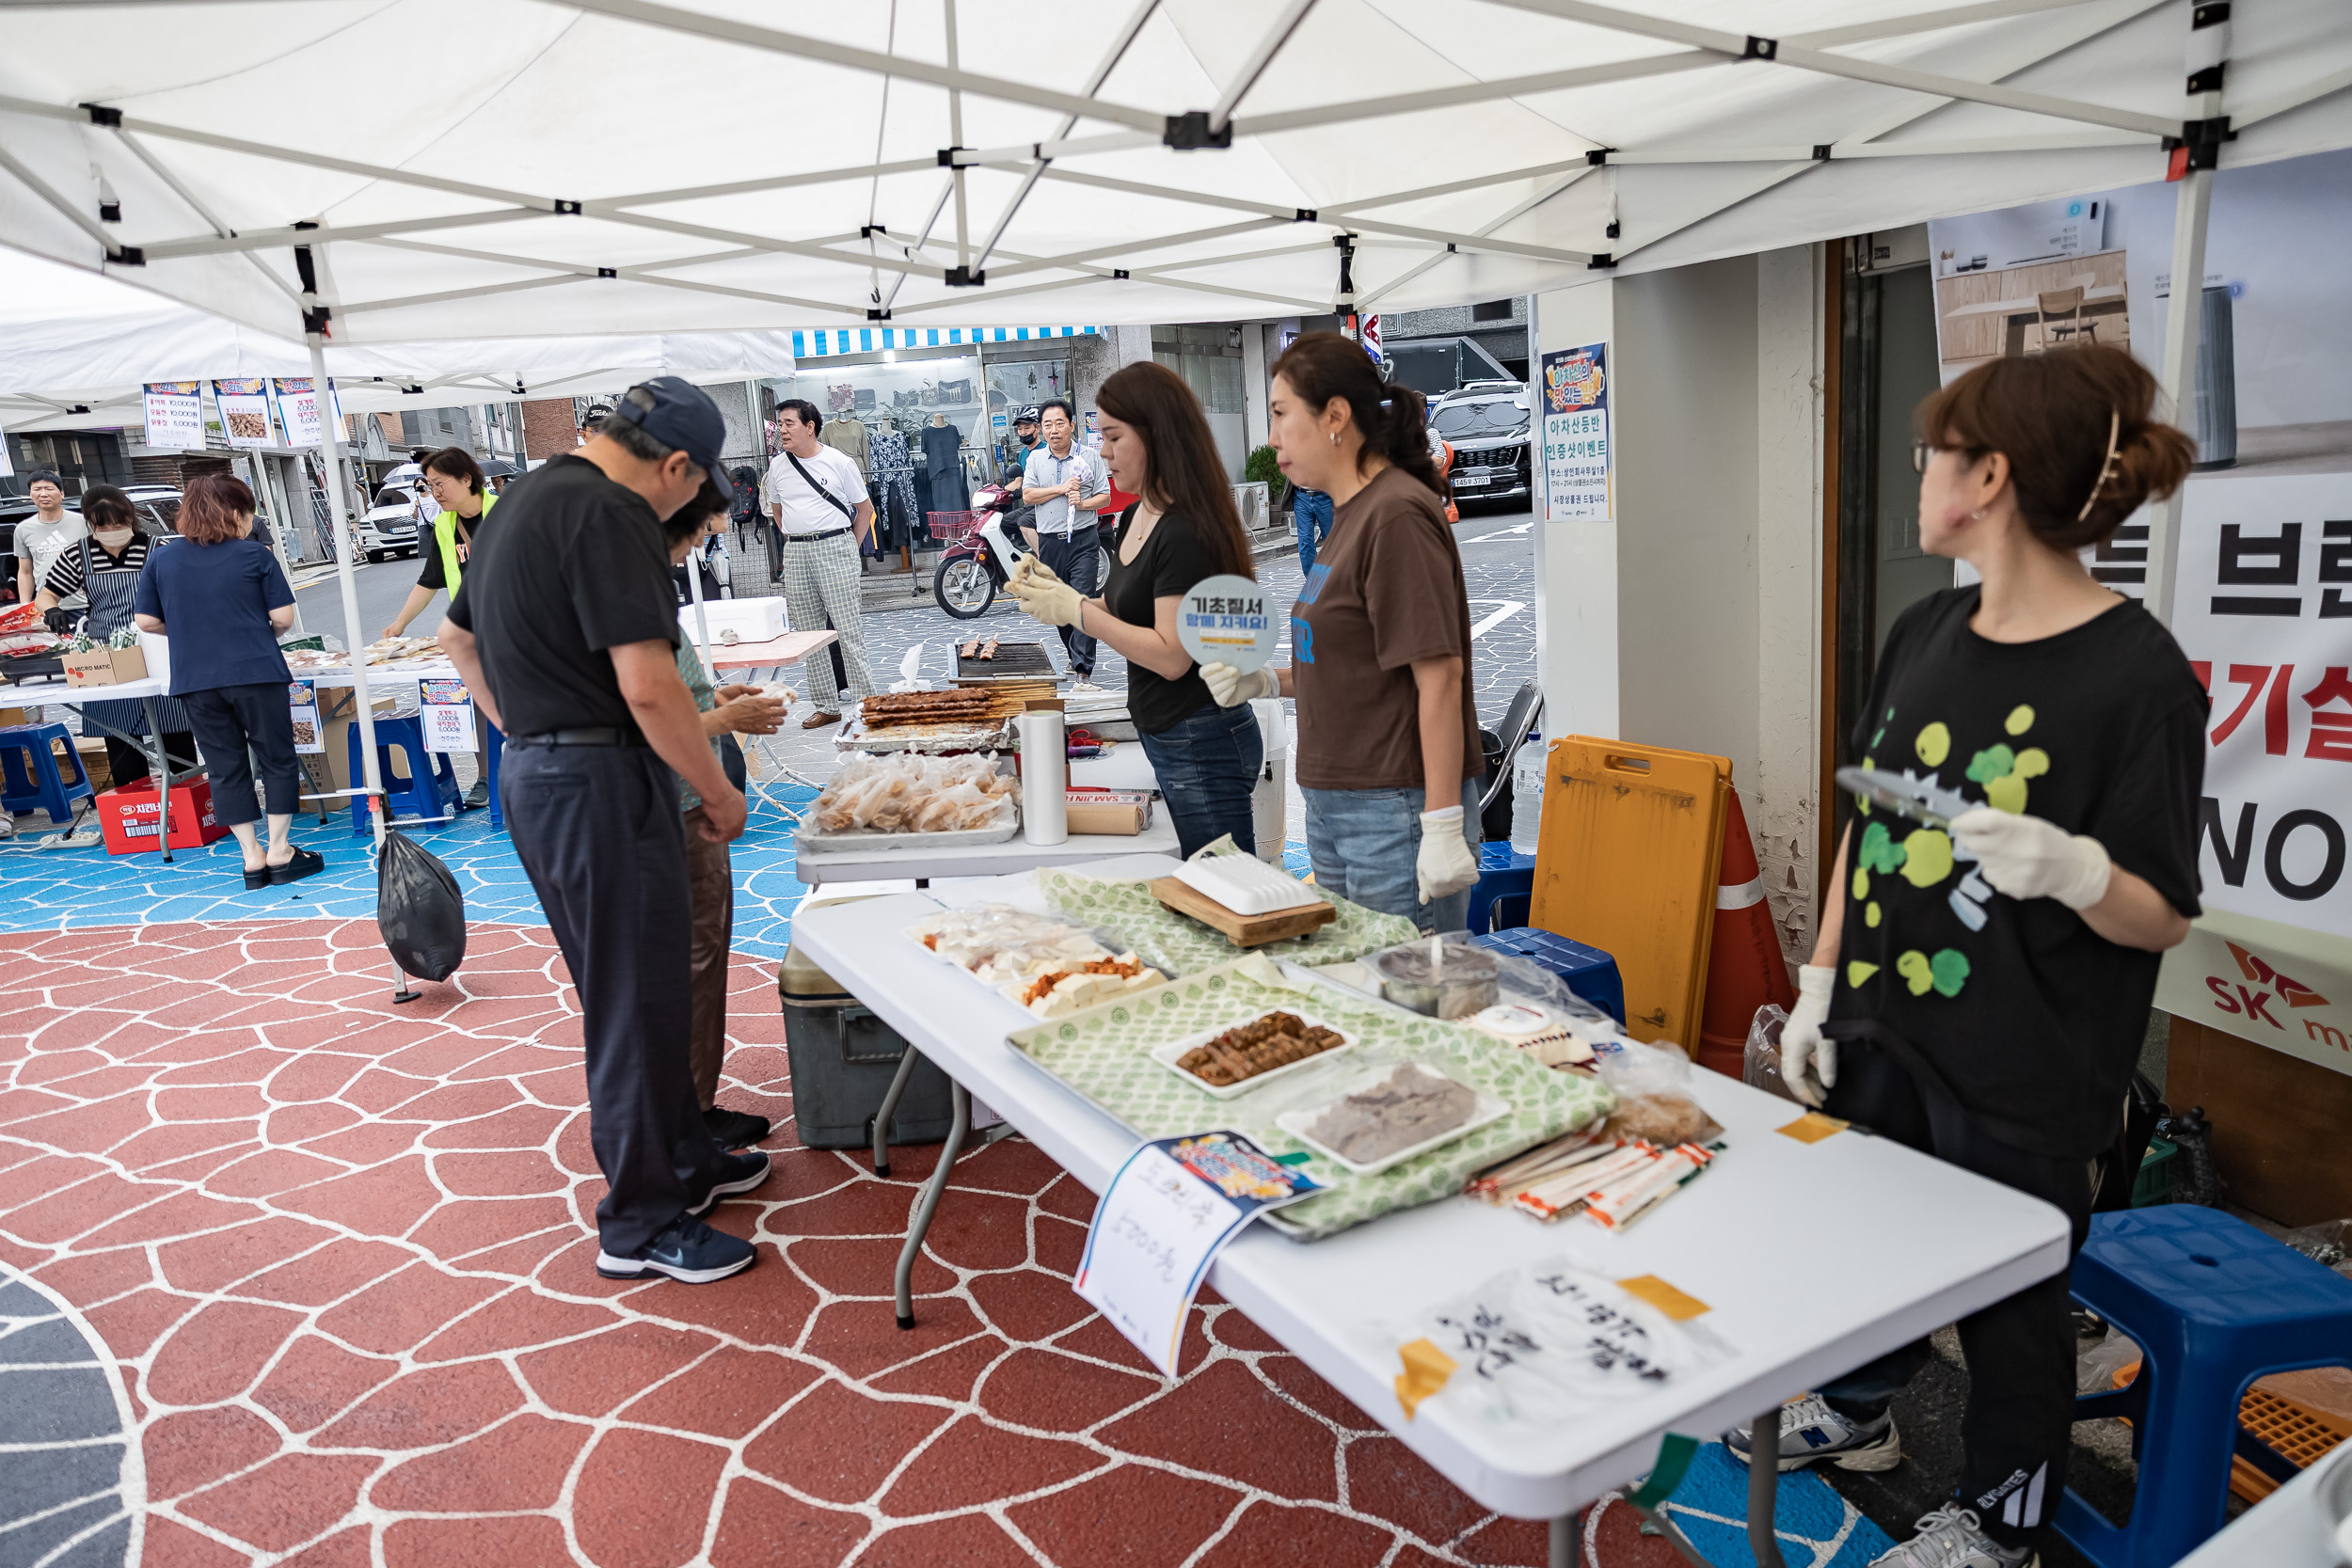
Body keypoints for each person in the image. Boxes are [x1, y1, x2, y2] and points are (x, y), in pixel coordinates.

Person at [1760, 345, 2202, 1568]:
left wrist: (2072, 867)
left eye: (1937, 452)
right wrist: (1818, 977)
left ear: (1990, 476)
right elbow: (1869, 811)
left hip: (2027, 1055)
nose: (1923, 474)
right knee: (1870, 1244)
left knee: (2009, 1305)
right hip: (1884, 1020)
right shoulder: (1925, 625)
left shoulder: (2138, 676)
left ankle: (2000, 1522)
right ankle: (1857, 1416)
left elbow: (2162, 909)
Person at [438, 377, 765, 1286]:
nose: (683, 507)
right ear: (674, 465)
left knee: (642, 988)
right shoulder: (613, 511)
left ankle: (683, 1165)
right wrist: (717, 793)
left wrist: (524, 729)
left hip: (546, 775)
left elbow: (455, 641)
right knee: (631, 1000)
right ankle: (640, 1219)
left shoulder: (520, 501)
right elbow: (650, 684)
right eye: (688, 491)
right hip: (597, 780)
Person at [1200, 334, 1481, 929]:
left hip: (1393, 807)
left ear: (1334, 417)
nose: (1271, 437)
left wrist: (1441, 822)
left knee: (1407, 1000)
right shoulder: (1349, 513)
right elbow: (1353, 663)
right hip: (1336, 802)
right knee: (1360, 992)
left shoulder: (1396, 514)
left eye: (1280, 415)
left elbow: (1440, 676)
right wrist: (1266, 681)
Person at [1010, 363, 1263, 857]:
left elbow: (1171, 656)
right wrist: (1060, 596)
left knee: (1227, 886)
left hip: (1201, 733)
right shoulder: (1132, 514)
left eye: (1113, 436)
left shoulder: (1185, 528)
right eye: (1099, 435)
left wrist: (1079, 613)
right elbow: (1124, 606)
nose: (1101, 451)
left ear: (1156, 435)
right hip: (1164, 731)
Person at [660, 482, 789, 1148]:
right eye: (703, 531)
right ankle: (686, 1125)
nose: (703, 543)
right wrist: (720, 723)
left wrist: (718, 696)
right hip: (674, 804)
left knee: (701, 955)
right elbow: (646, 720)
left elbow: (671, 693)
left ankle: (693, 1109)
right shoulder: (628, 592)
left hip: (679, 802)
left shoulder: (643, 586)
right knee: (693, 956)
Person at [132, 473, 324, 890]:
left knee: (224, 767)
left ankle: (251, 858)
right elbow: (284, 618)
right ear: (235, 511)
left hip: (196, 678)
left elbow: (146, 620)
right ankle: (280, 850)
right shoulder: (254, 555)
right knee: (276, 756)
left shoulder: (162, 558)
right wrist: (252, 630)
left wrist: (189, 631)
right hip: (256, 671)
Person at [38, 484, 195, 793]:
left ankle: (190, 806)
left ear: (131, 518)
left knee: (178, 738)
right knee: (123, 746)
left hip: (158, 652)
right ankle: (135, 810)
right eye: (102, 525)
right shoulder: (78, 554)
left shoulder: (156, 549)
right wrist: (51, 610)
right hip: (108, 658)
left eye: (119, 523)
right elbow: (46, 595)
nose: (112, 530)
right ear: (89, 523)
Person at [383, 447, 501, 807]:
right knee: (480, 702)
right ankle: (486, 776)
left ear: (466, 479)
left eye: (440, 483)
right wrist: (399, 623)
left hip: (521, 627)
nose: (435, 492)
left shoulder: (509, 512)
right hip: (474, 631)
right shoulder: (445, 526)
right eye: (429, 485)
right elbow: (429, 580)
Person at [765, 399, 877, 729]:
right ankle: (827, 705)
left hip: (836, 545)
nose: (782, 430)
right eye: (780, 424)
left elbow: (864, 510)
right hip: (797, 552)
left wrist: (848, 549)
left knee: (847, 628)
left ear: (810, 426)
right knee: (809, 634)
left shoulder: (838, 463)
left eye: (789, 423)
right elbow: (777, 511)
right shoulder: (778, 467)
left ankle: (866, 701)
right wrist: (795, 539)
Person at [1021, 398, 1110, 692]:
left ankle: (1084, 673)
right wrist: (1060, 489)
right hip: (1050, 543)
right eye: (1047, 425)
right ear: (1041, 430)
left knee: (1082, 601)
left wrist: (1082, 503)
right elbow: (1029, 496)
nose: (1053, 430)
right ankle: (1075, 654)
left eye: (1060, 423)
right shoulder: (1034, 460)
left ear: (1072, 425)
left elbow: (1105, 497)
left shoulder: (1089, 457)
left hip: (1084, 539)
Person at [15, 470, 85, 614]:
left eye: (49, 489)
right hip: (47, 608)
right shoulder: (23, 529)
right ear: (30, 495)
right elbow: (25, 572)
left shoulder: (84, 522)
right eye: (37, 489)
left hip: (84, 605)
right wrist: (25, 607)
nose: (43, 494)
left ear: (62, 493)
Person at [1290, 483, 1333, 575]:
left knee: (1332, 542)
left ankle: (1335, 580)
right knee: (1305, 541)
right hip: (1301, 496)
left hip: (1325, 496)